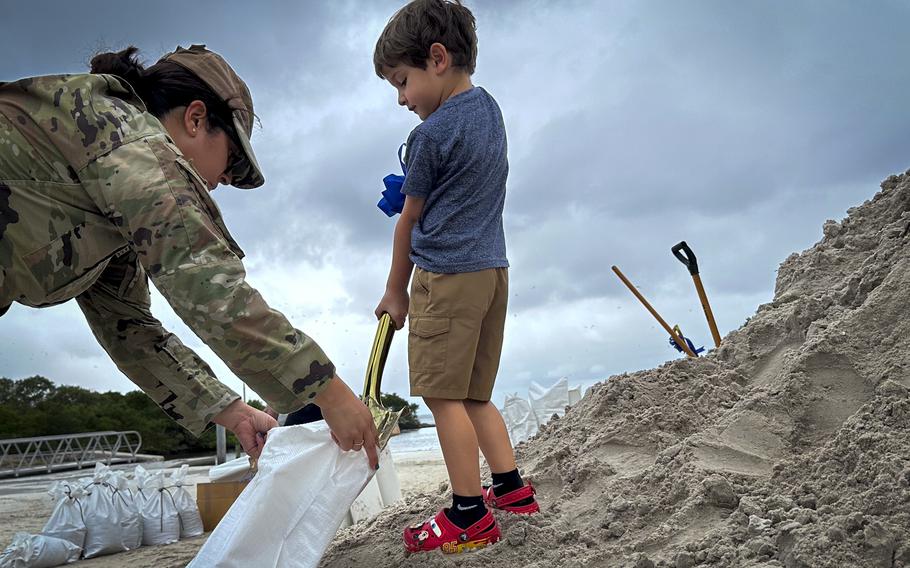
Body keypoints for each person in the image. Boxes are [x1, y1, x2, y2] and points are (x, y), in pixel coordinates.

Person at [0, 45, 379, 468]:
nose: (224, 182)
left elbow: (129, 329)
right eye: (231, 161)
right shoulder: (129, 140)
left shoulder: (110, 194)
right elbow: (212, 292)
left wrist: (230, 410)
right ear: (196, 119)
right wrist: (330, 393)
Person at [373, 0, 539, 554]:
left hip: (446, 277)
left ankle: (469, 513)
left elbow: (408, 223)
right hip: (493, 272)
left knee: (443, 398)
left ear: (437, 59)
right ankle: (511, 490)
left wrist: (396, 292)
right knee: (474, 394)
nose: (401, 99)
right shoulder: (489, 109)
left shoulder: (430, 134)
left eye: (402, 81)